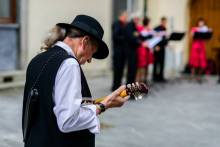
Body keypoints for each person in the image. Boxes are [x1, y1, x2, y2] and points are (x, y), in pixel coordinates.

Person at [22, 15, 129, 147]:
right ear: (85, 41)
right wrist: (103, 106)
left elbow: (48, 107)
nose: (90, 59)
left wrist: (101, 102)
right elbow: (68, 120)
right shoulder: (69, 64)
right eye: (92, 51)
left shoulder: (37, 60)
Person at [111, 11, 128, 91]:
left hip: (123, 52)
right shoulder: (117, 24)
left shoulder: (123, 24)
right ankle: (115, 86)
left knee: (121, 69)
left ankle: (118, 86)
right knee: (117, 70)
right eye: (125, 17)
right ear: (121, 16)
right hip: (118, 52)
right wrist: (125, 38)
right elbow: (115, 36)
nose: (126, 19)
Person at [189, 18, 209, 83]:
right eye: (200, 22)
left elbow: (207, 38)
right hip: (195, 45)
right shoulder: (194, 29)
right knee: (194, 61)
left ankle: (199, 76)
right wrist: (193, 33)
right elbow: (191, 36)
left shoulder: (204, 29)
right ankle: (192, 76)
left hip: (201, 46)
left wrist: (208, 32)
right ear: (198, 23)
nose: (201, 23)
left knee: (202, 61)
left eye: (202, 22)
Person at [136, 17, 154, 83]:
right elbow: (138, 37)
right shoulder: (140, 28)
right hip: (142, 49)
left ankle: (144, 81)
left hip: (147, 49)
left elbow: (152, 37)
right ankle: (139, 82)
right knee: (141, 66)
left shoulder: (149, 30)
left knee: (146, 65)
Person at [125, 13, 141, 84]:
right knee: (131, 70)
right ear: (134, 19)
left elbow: (137, 36)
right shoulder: (129, 26)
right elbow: (131, 38)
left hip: (133, 50)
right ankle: (129, 87)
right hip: (130, 50)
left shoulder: (134, 26)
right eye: (137, 19)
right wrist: (139, 42)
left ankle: (131, 86)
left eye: (138, 19)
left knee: (133, 69)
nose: (138, 21)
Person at [153, 17, 168, 83]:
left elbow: (164, 38)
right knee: (156, 63)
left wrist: (166, 42)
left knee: (162, 62)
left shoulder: (164, 29)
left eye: (165, 22)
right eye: (164, 22)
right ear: (161, 21)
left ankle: (161, 76)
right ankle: (155, 77)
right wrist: (155, 46)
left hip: (162, 48)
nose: (165, 23)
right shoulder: (156, 28)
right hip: (157, 48)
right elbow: (154, 38)